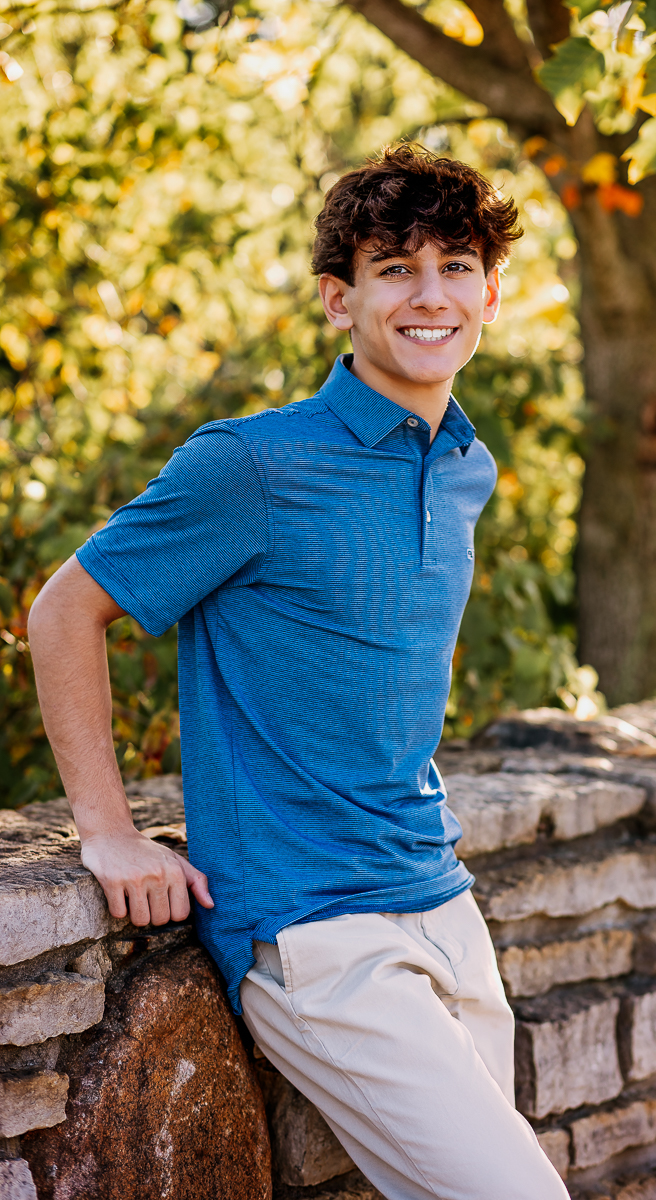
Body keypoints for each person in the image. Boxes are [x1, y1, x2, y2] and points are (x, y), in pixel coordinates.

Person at [28, 144, 568, 1200]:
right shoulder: (252, 464)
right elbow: (63, 610)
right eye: (393, 268)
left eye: (456, 266)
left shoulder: (464, 462)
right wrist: (106, 830)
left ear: (491, 293)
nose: (430, 295)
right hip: (314, 929)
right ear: (338, 299)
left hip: (442, 900)